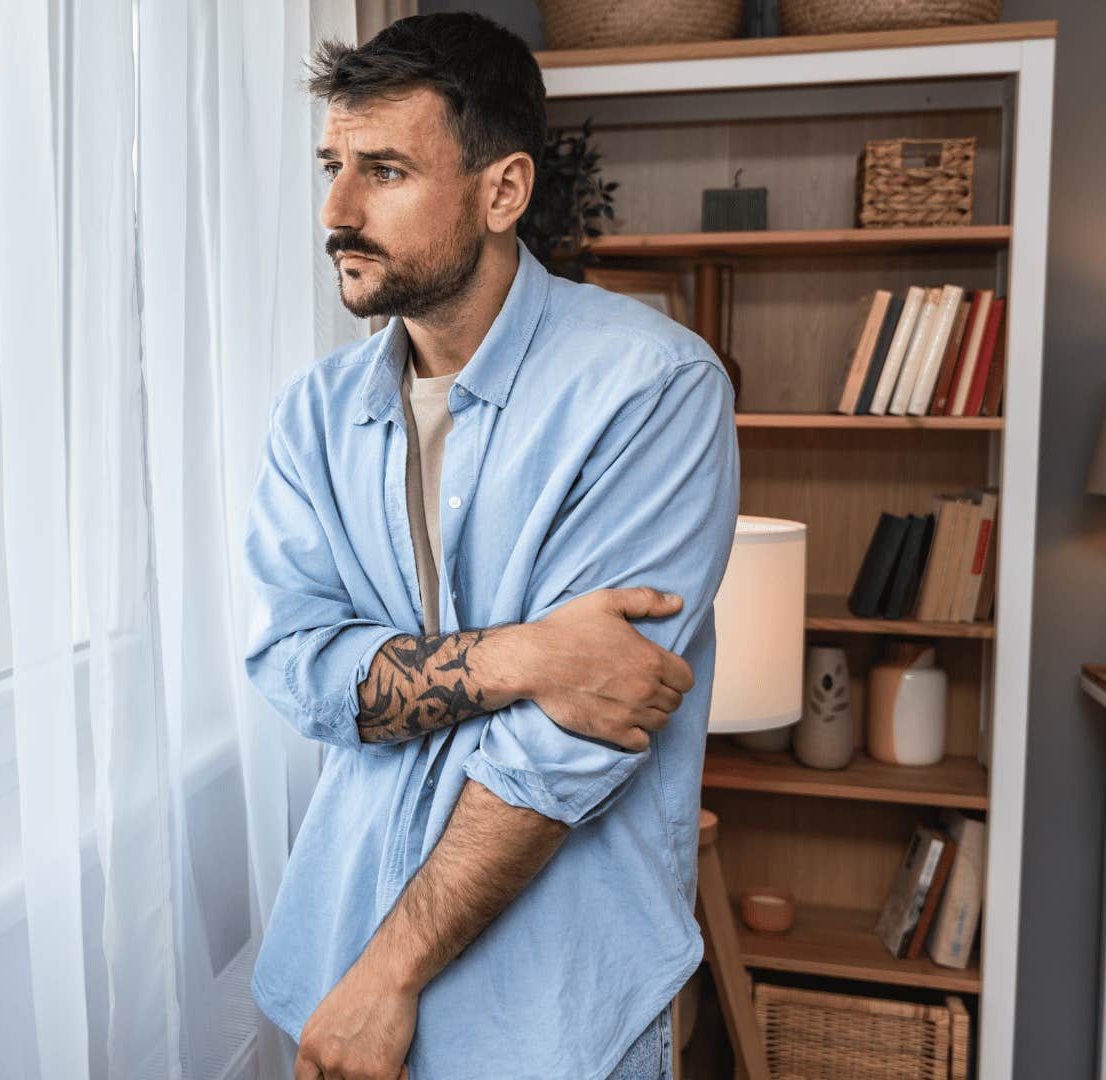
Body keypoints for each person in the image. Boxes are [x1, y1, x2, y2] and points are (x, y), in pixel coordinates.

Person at [240, 13, 741, 1080]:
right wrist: (527, 656)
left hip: (550, 997)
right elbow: (295, 666)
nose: (336, 211)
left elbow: (578, 736)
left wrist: (392, 976)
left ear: (501, 191)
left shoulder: (653, 390)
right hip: (334, 942)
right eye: (332, 166)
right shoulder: (311, 415)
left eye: (383, 170)